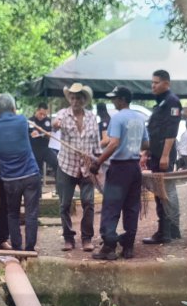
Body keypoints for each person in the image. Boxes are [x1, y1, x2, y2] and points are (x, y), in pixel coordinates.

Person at [89, 86, 149, 260]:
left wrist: (98, 162)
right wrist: (133, 143)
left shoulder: (117, 118)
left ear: (122, 99)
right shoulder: (139, 118)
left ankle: (109, 247)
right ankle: (128, 247)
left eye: (115, 98)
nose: (113, 101)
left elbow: (113, 143)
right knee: (131, 207)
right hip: (134, 169)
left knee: (111, 207)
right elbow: (146, 144)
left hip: (119, 170)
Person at [52, 83, 101, 252]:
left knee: (88, 203)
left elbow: (96, 142)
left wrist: (97, 161)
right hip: (67, 165)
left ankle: (87, 238)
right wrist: (55, 124)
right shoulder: (63, 114)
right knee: (65, 204)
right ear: (69, 99)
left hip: (87, 167)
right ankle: (68, 238)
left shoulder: (91, 117)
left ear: (83, 100)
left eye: (78, 98)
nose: (75, 101)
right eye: (72, 98)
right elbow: (55, 123)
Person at [0, 93, 41, 251]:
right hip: (31, 174)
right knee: (31, 213)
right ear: (13, 107)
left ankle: (18, 249)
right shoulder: (21, 120)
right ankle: (30, 248)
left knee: (12, 214)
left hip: (10, 179)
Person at [142, 69, 182, 245]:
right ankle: (165, 231)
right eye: (152, 82)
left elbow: (171, 131)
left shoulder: (172, 102)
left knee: (165, 192)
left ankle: (169, 230)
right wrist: (147, 152)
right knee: (160, 193)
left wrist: (165, 155)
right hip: (156, 154)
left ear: (166, 83)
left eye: (156, 82)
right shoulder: (161, 102)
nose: (153, 85)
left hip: (164, 156)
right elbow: (155, 132)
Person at [28, 103, 59, 184]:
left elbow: (51, 134)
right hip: (34, 149)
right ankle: (38, 193)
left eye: (44, 115)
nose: (42, 116)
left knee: (57, 164)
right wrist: (31, 134)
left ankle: (59, 189)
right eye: (41, 114)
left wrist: (45, 133)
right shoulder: (30, 121)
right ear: (37, 110)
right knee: (37, 172)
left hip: (45, 148)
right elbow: (25, 135)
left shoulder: (48, 121)